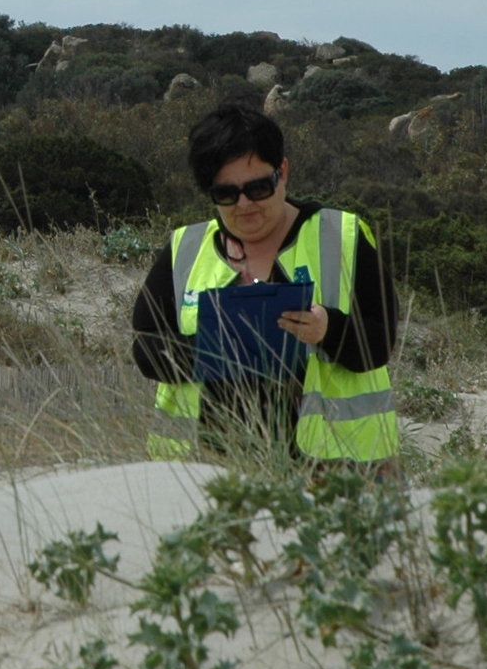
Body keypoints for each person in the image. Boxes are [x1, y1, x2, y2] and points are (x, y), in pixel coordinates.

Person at [133, 103, 400, 464]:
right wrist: (214, 349)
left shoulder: (342, 236)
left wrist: (328, 330)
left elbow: (380, 343)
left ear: (283, 172)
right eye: (226, 194)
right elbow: (147, 350)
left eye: (258, 188)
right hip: (204, 469)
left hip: (334, 469)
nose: (245, 204)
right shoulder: (185, 248)